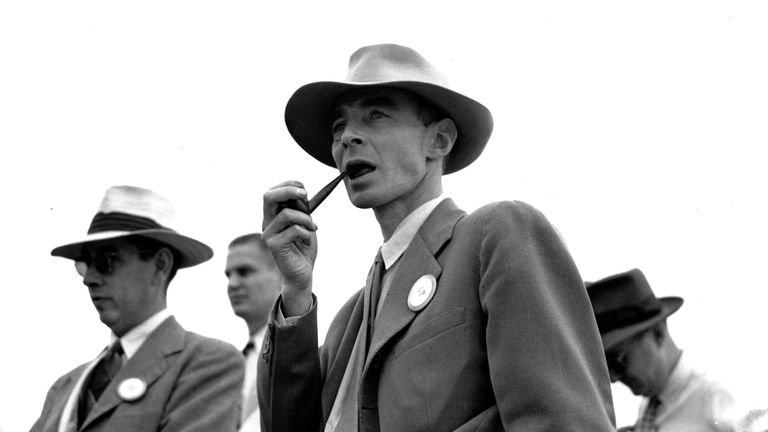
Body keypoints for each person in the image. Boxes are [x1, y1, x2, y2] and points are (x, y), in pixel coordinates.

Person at [258, 43, 615, 431]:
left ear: (440, 140)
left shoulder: (495, 234)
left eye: (376, 114)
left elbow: (561, 421)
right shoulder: (349, 319)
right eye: (338, 127)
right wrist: (295, 289)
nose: (347, 138)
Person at [30, 185, 244, 432]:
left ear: (161, 265)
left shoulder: (207, 363)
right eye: (85, 264)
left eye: (106, 261)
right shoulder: (65, 388)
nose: (89, 278)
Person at [587, 268, 739, 431]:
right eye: (607, 368)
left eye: (617, 361)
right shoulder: (650, 407)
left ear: (657, 332)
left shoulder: (718, 398)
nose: (613, 378)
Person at [225, 233, 282, 432]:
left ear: (280, 274)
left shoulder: (308, 355)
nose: (232, 283)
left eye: (244, 271)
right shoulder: (230, 364)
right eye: (229, 275)